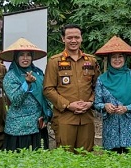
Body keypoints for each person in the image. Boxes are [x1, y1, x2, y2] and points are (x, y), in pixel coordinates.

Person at [43, 24, 100, 152]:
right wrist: (68, 105)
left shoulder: (91, 61)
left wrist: (90, 102)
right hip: (65, 118)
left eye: (76, 37)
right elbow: (48, 89)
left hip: (87, 118)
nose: (73, 41)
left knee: (86, 156)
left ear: (81, 39)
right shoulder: (54, 61)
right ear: (63, 39)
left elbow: (98, 87)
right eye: (69, 38)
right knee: (65, 157)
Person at [93, 36, 131, 152]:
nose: (117, 60)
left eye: (120, 56)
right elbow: (97, 103)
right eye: (114, 57)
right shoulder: (102, 79)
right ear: (109, 59)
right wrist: (105, 106)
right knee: (112, 164)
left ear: (125, 59)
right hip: (111, 128)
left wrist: (127, 108)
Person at [0, 38, 52, 151]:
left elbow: (46, 95)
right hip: (19, 129)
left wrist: (47, 115)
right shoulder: (10, 76)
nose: (25, 58)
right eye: (21, 55)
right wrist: (26, 83)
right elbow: (16, 101)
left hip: (38, 125)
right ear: (16, 57)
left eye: (28, 55)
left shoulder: (38, 72)